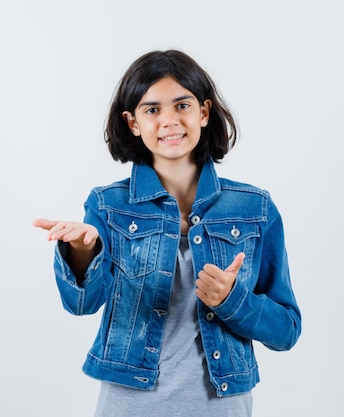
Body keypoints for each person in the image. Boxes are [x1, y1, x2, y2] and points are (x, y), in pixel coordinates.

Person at [33, 49, 301, 417]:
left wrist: (232, 301)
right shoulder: (108, 206)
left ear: (203, 112)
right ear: (133, 123)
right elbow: (81, 305)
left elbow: (286, 330)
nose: (169, 121)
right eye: (152, 109)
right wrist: (83, 252)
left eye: (182, 106)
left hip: (221, 407)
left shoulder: (255, 208)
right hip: (128, 404)